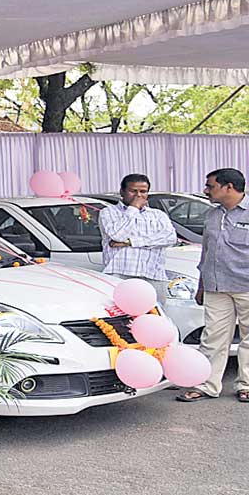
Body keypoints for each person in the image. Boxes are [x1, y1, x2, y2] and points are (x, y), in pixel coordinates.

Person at [178, 168, 249, 403]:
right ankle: (206, 385)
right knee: (212, 337)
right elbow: (206, 252)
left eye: (211, 186)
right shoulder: (212, 215)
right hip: (215, 286)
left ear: (229, 187)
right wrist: (201, 284)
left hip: (246, 286)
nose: (206, 190)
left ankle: (246, 385)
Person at [98, 174, 177, 306]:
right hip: (119, 273)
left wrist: (130, 242)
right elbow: (117, 235)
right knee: (120, 314)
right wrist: (133, 208)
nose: (138, 195)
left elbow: (170, 238)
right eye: (133, 191)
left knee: (155, 314)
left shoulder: (158, 215)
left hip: (153, 275)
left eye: (143, 191)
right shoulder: (108, 212)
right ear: (122, 192)